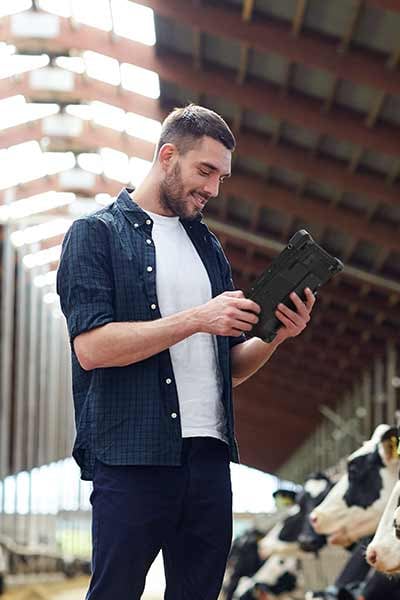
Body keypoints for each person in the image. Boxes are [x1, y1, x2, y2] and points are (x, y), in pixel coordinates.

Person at [56, 104, 315, 600]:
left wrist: (277, 335)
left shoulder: (208, 248)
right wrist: (198, 318)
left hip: (208, 459)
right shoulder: (96, 235)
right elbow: (92, 348)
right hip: (131, 458)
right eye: (205, 171)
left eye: (223, 176)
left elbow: (228, 371)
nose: (214, 189)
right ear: (167, 156)